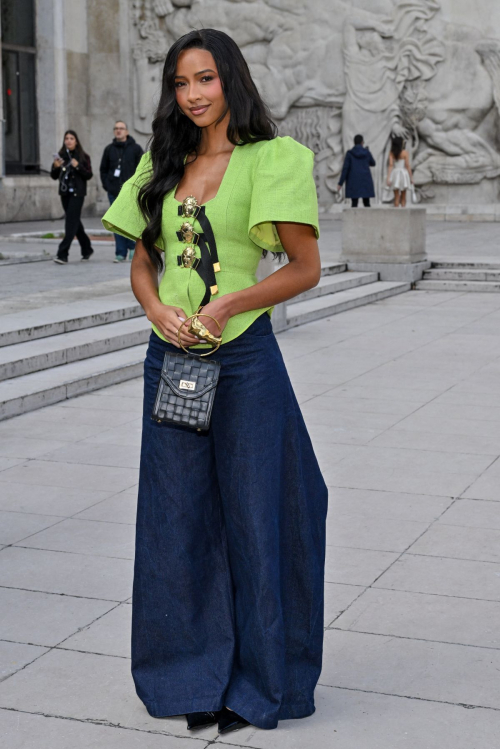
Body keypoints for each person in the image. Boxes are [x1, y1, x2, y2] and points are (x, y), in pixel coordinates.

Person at [102, 28, 328, 734]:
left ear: (230, 79)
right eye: (180, 83)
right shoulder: (160, 163)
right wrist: (155, 306)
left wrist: (230, 302)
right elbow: (142, 260)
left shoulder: (273, 159)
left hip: (244, 359)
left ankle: (264, 679)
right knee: (177, 518)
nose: (193, 94)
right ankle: (188, 674)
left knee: (262, 512)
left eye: (205, 79)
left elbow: (303, 266)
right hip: (169, 359)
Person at [100, 121, 144, 262]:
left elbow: (142, 169)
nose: (118, 131)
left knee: (130, 221)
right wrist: (107, 185)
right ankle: (120, 252)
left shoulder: (136, 149)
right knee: (115, 221)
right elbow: (103, 169)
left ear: (127, 131)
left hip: (130, 192)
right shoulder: (109, 149)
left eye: (121, 128)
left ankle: (132, 248)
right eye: (116, 129)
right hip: (113, 191)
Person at [51, 130, 94, 264]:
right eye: (66, 138)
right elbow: (53, 176)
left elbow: (88, 175)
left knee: (70, 222)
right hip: (65, 193)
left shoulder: (83, 157)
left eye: (71, 138)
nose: (68, 141)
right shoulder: (61, 156)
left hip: (78, 193)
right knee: (75, 222)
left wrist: (78, 166)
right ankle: (87, 249)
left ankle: (62, 253)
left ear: (76, 141)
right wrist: (56, 167)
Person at [337, 134, 376, 207]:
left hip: (353, 181)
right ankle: (368, 218)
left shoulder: (349, 153)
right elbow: (373, 163)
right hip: (365, 181)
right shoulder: (366, 152)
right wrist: (368, 152)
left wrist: (340, 183)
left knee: (354, 204)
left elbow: (345, 169)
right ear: (362, 142)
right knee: (367, 203)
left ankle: (353, 218)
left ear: (354, 142)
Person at [387, 135, 413, 207]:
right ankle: (403, 214)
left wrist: (388, 178)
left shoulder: (391, 153)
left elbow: (391, 165)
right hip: (403, 174)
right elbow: (407, 166)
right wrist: (411, 178)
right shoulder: (405, 153)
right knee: (403, 196)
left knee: (396, 196)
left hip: (395, 173)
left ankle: (396, 214)